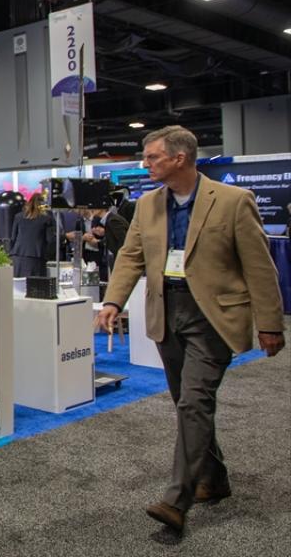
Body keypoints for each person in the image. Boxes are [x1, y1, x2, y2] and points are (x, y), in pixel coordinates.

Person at [96, 125, 285, 534]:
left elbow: (259, 267)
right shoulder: (147, 204)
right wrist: (113, 301)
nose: (145, 164)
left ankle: (176, 499)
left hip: (212, 316)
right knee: (188, 402)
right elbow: (130, 256)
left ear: (179, 158)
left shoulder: (234, 200)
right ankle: (214, 479)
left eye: (153, 157)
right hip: (167, 314)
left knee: (194, 403)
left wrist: (270, 324)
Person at [9, 193, 54, 277]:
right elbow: (50, 240)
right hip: (36, 257)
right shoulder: (47, 218)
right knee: (35, 284)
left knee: (18, 284)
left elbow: (13, 238)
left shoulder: (18, 216)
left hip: (18, 256)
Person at [91, 206, 129, 271]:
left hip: (124, 263)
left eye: (94, 205)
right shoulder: (109, 220)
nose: (91, 208)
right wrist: (98, 241)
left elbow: (124, 243)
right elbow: (112, 239)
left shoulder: (113, 220)